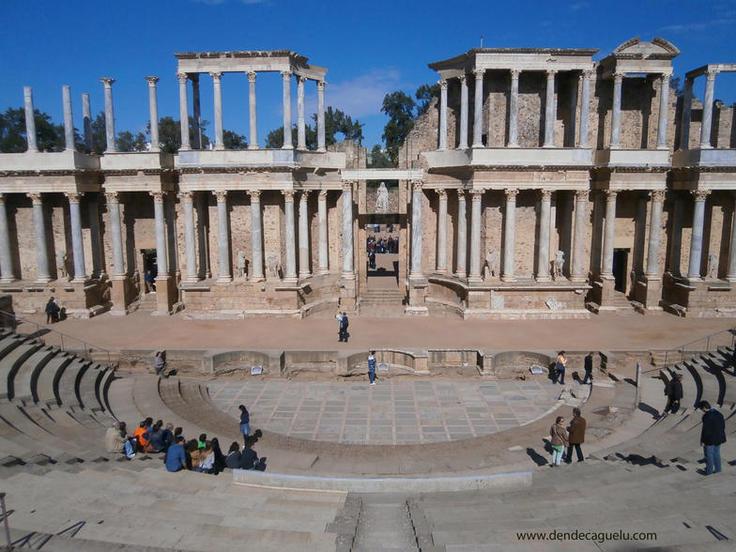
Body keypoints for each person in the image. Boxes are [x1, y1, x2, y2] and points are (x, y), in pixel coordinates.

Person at [699, 400, 726, 475]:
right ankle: (718, 470)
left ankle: (709, 472)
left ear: (704, 408)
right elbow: (723, 426)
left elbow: (705, 430)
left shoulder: (706, 416)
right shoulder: (719, 414)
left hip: (710, 439)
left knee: (709, 455)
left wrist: (703, 441)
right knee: (717, 453)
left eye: (702, 409)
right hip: (719, 437)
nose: (702, 411)